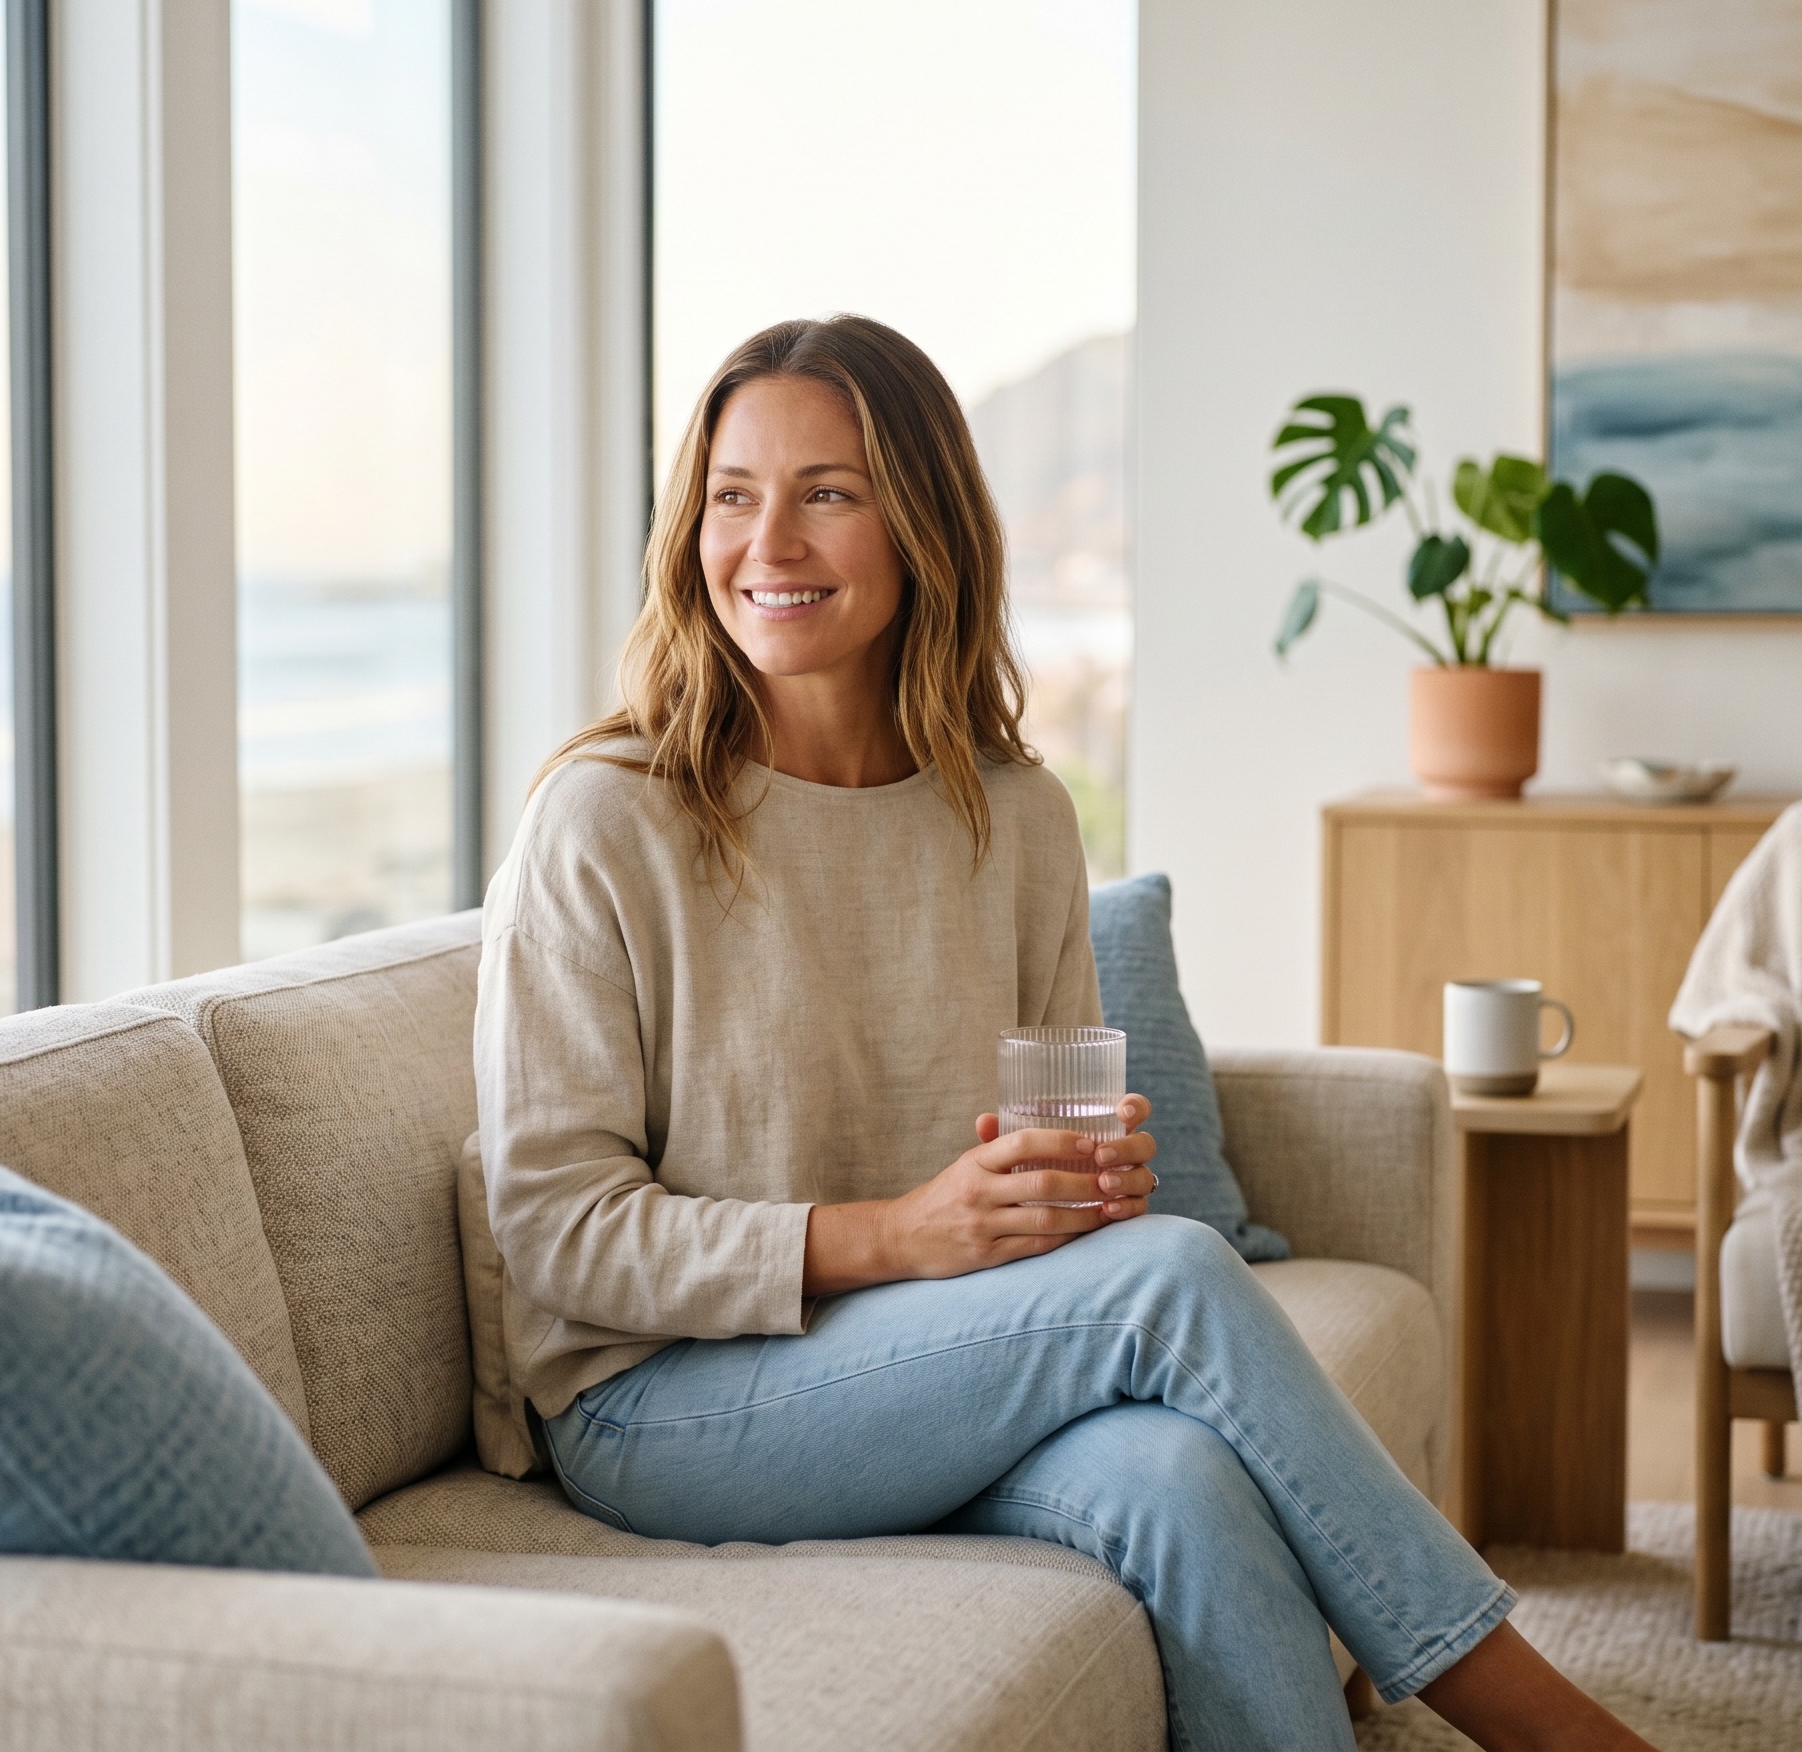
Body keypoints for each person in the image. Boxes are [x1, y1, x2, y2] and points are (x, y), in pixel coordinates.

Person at [474, 314, 1654, 1752]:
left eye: (827, 491)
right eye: (733, 493)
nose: (766, 540)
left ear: (923, 526)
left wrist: (1065, 1201)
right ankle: (1543, 1723)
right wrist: (902, 1235)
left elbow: (1036, 1181)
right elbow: (558, 1230)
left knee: (1182, 1485)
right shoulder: (607, 818)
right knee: (1168, 1280)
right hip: (659, 1403)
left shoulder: (1011, 813)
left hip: (924, 1357)